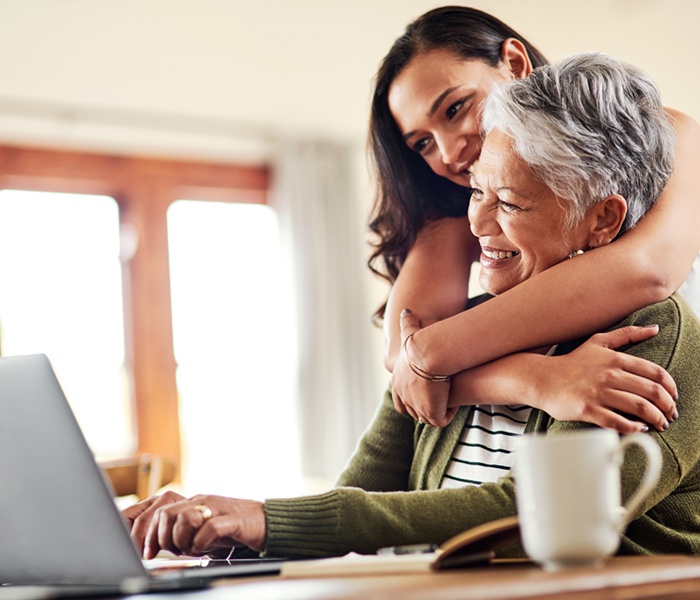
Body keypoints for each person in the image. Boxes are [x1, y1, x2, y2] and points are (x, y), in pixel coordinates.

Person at [124, 53, 700, 561]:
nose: (477, 224)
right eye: (477, 191)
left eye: (511, 203)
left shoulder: (652, 334)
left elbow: (535, 518)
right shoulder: (466, 328)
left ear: (603, 219)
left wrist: (268, 520)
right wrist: (235, 528)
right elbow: (366, 490)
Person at [370, 6, 700, 429]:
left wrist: (432, 355)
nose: (450, 153)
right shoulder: (457, 214)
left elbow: (649, 270)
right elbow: (403, 353)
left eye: (455, 109)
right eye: (423, 144)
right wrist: (535, 380)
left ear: (513, 62)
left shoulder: (664, 133)